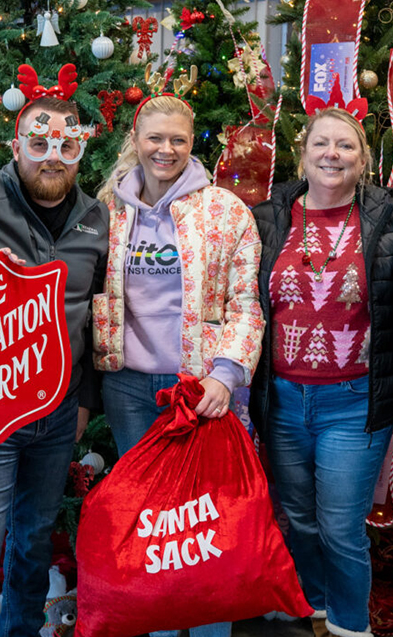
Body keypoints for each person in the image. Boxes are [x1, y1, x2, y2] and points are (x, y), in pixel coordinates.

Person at [93, 93, 265, 637]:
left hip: (198, 388)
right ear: (136, 141)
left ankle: (211, 625)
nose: (164, 149)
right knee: (151, 520)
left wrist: (225, 374)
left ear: (192, 144)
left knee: (205, 520)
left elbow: (245, 303)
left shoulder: (225, 210)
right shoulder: (107, 210)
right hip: (126, 386)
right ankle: (161, 625)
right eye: (154, 137)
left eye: (178, 139)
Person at [0, 94, 109, 637]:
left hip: (58, 412)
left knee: (33, 541)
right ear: (16, 147)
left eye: (66, 145)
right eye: (38, 144)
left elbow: (92, 316)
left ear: (81, 151)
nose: (51, 156)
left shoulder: (95, 216)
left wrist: (84, 400)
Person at [250, 107, 393, 637]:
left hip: (353, 401)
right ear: (304, 154)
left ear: (364, 160)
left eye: (345, 146)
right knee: (297, 516)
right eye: (322, 144)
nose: (332, 154)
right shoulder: (269, 217)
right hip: (283, 399)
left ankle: (349, 624)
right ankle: (311, 600)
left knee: (341, 527)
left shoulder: (390, 219)